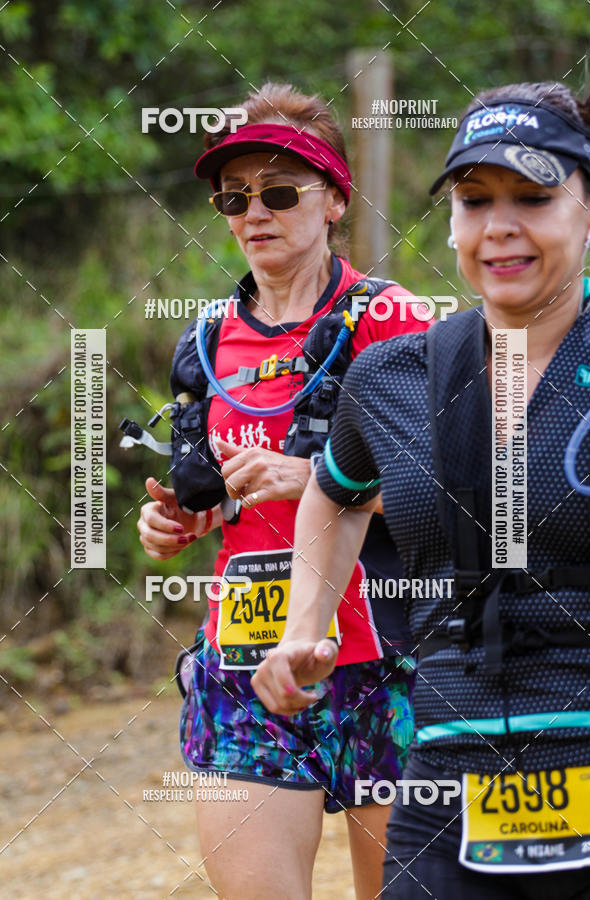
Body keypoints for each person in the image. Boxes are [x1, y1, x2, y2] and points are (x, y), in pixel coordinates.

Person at [251, 79, 590, 899]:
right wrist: (303, 625)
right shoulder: (393, 377)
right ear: (450, 222)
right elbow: (332, 495)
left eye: (535, 196)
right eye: (475, 200)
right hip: (449, 788)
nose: (500, 227)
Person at [137, 82, 428, 900]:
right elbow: (209, 488)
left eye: (280, 191)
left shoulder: (392, 319)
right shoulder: (202, 340)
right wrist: (174, 521)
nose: (254, 212)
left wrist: (320, 481)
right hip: (246, 663)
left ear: (334, 198)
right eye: (234, 196)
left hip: (386, 660)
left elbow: (451, 489)